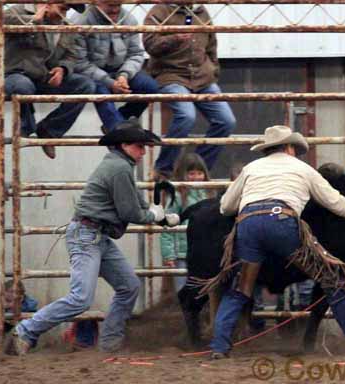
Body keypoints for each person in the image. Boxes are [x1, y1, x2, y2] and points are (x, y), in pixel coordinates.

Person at [207, 125, 345, 358]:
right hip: (283, 222)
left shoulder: (251, 168)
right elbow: (336, 202)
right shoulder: (303, 169)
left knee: (241, 288)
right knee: (331, 277)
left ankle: (219, 347)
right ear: (290, 147)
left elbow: (225, 206)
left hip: (248, 225)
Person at [4, 120, 178, 355]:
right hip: (88, 235)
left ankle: (110, 345)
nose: (143, 151)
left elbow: (136, 202)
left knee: (128, 286)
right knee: (81, 298)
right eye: (139, 146)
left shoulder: (120, 165)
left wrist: (158, 216)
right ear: (124, 145)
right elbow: (131, 212)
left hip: (94, 235)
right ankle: (25, 331)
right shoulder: (119, 168)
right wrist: (154, 215)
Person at [143, 3, 236, 178]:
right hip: (171, 74)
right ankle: (164, 168)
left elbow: (211, 44)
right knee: (186, 115)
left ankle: (196, 169)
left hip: (202, 76)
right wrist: (174, 38)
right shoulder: (159, 12)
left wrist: (213, 69)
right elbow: (149, 45)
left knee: (226, 121)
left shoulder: (201, 12)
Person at [4, 3, 95, 159]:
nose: (63, 15)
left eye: (66, 11)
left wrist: (62, 69)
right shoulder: (18, 11)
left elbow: (71, 55)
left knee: (85, 85)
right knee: (22, 86)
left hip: (45, 76)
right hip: (16, 74)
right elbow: (1, 22)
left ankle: (50, 129)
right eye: (62, 9)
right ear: (46, 4)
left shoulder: (65, 25)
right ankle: (26, 126)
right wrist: (33, 21)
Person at [74, 1, 159, 133]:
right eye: (110, 6)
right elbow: (80, 62)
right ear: (97, 3)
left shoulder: (128, 19)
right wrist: (109, 82)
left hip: (121, 71)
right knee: (101, 92)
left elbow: (136, 53)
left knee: (150, 87)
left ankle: (119, 122)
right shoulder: (81, 21)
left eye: (118, 5)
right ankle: (117, 130)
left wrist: (124, 75)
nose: (115, 10)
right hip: (94, 74)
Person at [160, 153, 213, 292]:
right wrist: (168, 254)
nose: (196, 177)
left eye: (200, 173)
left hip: (204, 251)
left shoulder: (209, 193)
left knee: (203, 288)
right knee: (183, 289)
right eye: (191, 173)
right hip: (182, 253)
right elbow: (167, 224)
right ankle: (186, 313)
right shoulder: (177, 196)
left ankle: (201, 313)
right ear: (182, 174)